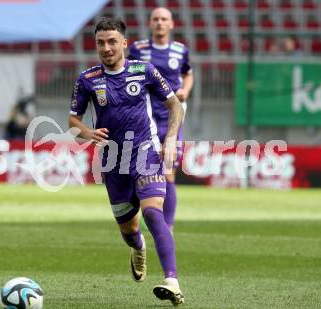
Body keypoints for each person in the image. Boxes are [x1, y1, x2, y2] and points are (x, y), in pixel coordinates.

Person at [68, 17, 185, 305]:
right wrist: (86, 132)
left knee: (152, 213)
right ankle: (138, 247)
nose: (106, 48)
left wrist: (170, 139)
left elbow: (175, 106)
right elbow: (73, 120)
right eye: (100, 43)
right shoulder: (87, 79)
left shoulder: (143, 70)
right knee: (130, 231)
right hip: (112, 162)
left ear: (124, 43)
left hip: (145, 153)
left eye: (111, 41)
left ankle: (172, 280)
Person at [128, 7, 194, 232]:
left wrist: (185, 89)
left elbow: (188, 74)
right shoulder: (138, 49)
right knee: (141, 170)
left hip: (170, 119)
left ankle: (169, 226)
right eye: (156, 19)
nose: (160, 23)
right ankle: (139, 218)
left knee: (167, 171)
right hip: (145, 117)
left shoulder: (180, 51)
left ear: (171, 24)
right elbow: (126, 73)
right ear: (150, 23)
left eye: (164, 19)